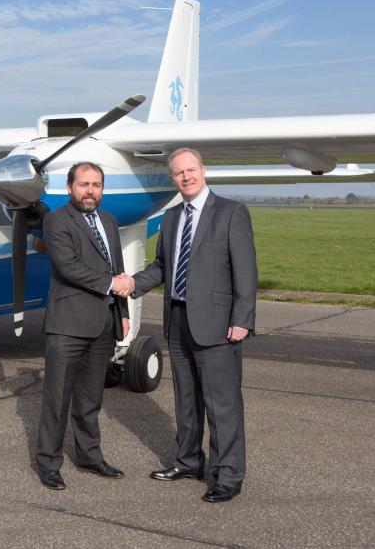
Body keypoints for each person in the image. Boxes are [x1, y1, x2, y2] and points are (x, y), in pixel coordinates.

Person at [116, 147, 256, 503]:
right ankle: (188, 461)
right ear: (173, 178)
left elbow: (246, 271)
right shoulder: (173, 216)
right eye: (178, 173)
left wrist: (242, 319)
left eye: (190, 170)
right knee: (186, 399)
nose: (185, 177)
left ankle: (227, 475)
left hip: (218, 324)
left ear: (203, 170)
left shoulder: (231, 212)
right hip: (178, 319)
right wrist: (133, 282)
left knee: (221, 403)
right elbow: (164, 266)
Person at [35, 161, 131, 490]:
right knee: (57, 398)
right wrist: (113, 286)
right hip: (68, 325)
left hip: (103, 323)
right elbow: (69, 267)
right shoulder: (57, 221)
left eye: (96, 185)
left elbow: (116, 267)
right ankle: (48, 462)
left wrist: (123, 310)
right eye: (84, 184)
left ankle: (90, 456)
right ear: (70, 187)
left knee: (90, 399)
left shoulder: (109, 221)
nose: (90, 191)